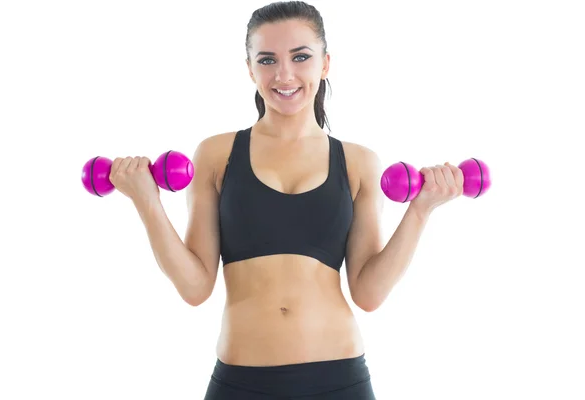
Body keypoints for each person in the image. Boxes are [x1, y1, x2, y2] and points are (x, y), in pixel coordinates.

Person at [108, 1, 464, 398]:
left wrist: (421, 209)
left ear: (325, 64)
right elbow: (195, 288)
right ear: (249, 69)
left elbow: (369, 293)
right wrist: (146, 202)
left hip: (338, 379)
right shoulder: (215, 155)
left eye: (300, 57)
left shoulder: (358, 162)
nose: (284, 74)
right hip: (241, 382)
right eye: (267, 59)